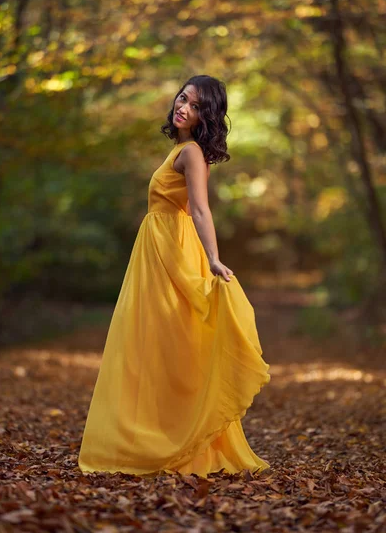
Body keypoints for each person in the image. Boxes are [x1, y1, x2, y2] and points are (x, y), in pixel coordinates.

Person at [78, 75, 271, 479]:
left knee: (174, 344)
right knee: (155, 346)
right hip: (158, 251)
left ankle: (179, 440)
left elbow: (200, 210)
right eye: (183, 98)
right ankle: (149, 434)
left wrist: (214, 260)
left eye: (197, 106)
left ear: (208, 116)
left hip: (173, 254)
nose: (184, 107)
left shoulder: (193, 154)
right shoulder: (181, 150)